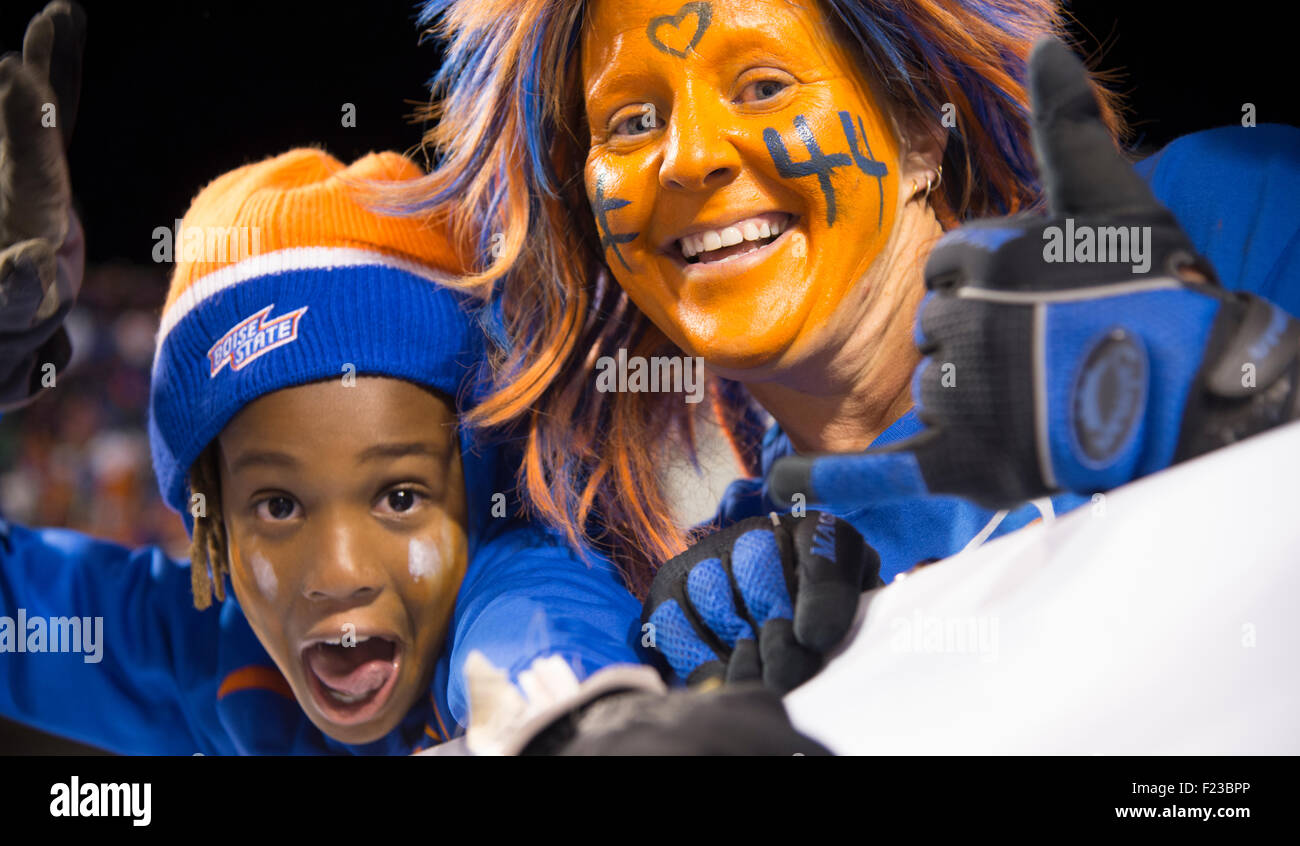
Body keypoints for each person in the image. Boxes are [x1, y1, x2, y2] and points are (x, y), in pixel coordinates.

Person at [390, 0, 1300, 692]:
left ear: (918, 132)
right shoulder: (743, 582)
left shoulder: (1231, 212)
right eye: (631, 122)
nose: (688, 156)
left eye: (763, 86)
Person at [0, 147, 644, 754]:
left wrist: (568, 728)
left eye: (399, 497)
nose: (339, 574)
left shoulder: (520, 588)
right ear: (213, 523)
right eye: (278, 506)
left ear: (477, 488)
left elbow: (549, 645)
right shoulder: (211, 649)